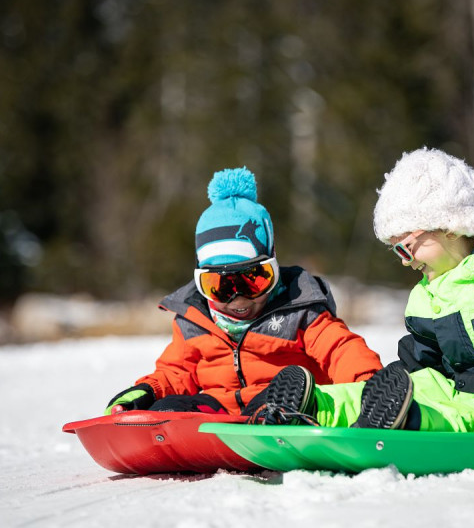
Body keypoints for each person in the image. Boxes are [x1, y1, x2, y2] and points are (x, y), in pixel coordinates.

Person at [253, 148, 474, 448]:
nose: (405, 261)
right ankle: (313, 406)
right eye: (396, 252)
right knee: (412, 389)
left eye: (406, 247)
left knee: (465, 418)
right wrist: (395, 386)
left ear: (450, 227)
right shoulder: (426, 296)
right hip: (456, 392)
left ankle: (408, 421)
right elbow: (420, 368)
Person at [104, 167, 383, 416]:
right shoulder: (193, 320)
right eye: (219, 286)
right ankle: (173, 429)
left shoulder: (300, 310)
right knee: (167, 408)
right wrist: (149, 390)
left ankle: (277, 416)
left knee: (275, 403)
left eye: (253, 280)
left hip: (282, 402)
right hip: (221, 411)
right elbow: (176, 371)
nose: (237, 297)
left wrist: (371, 386)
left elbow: (340, 350)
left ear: (273, 267)